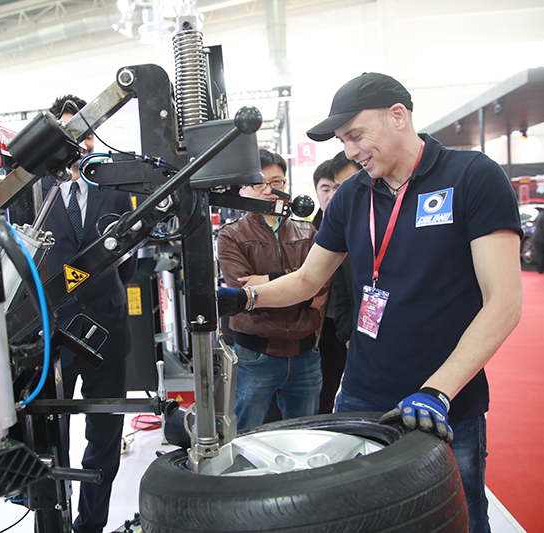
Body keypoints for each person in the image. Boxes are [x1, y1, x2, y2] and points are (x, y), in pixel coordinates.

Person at [219, 73, 522, 533]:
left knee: (456, 519)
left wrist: (437, 391)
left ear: (398, 116)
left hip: (445, 405)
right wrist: (246, 295)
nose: (350, 152)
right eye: (343, 141)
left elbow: (503, 302)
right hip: (361, 398)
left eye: (356, 136)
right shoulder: (352, 197)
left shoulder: (472, 177)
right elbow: (308, 279)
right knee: (364, 520)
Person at [41, 94, 137, 533]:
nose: (77, 144)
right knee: (50, 439)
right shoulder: (33, 193)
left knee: (104, 439)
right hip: (54, 332)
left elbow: (130, 262)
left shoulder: (116, 190)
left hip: (108, 329)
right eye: (67, 134)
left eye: (83, 133)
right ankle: (51, 521)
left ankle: (90, 527)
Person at [216, 149, 326, 430]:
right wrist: (300, 284)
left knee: (305, 437)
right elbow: (241, 288)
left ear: (286, 185)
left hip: (305, 354)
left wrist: (265, 287)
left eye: (276, 182)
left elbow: (320, 289)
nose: (269, 191)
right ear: (244, 189)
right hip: (255, 355)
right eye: (259, 184)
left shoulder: (308, 232)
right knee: (245, 436)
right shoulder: (232, 234)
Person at [315, 151, 361, 413]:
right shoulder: (312, 230)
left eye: (341, 187)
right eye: (329, 188)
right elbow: (307, 280)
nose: (335, 195)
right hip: (328, 325)